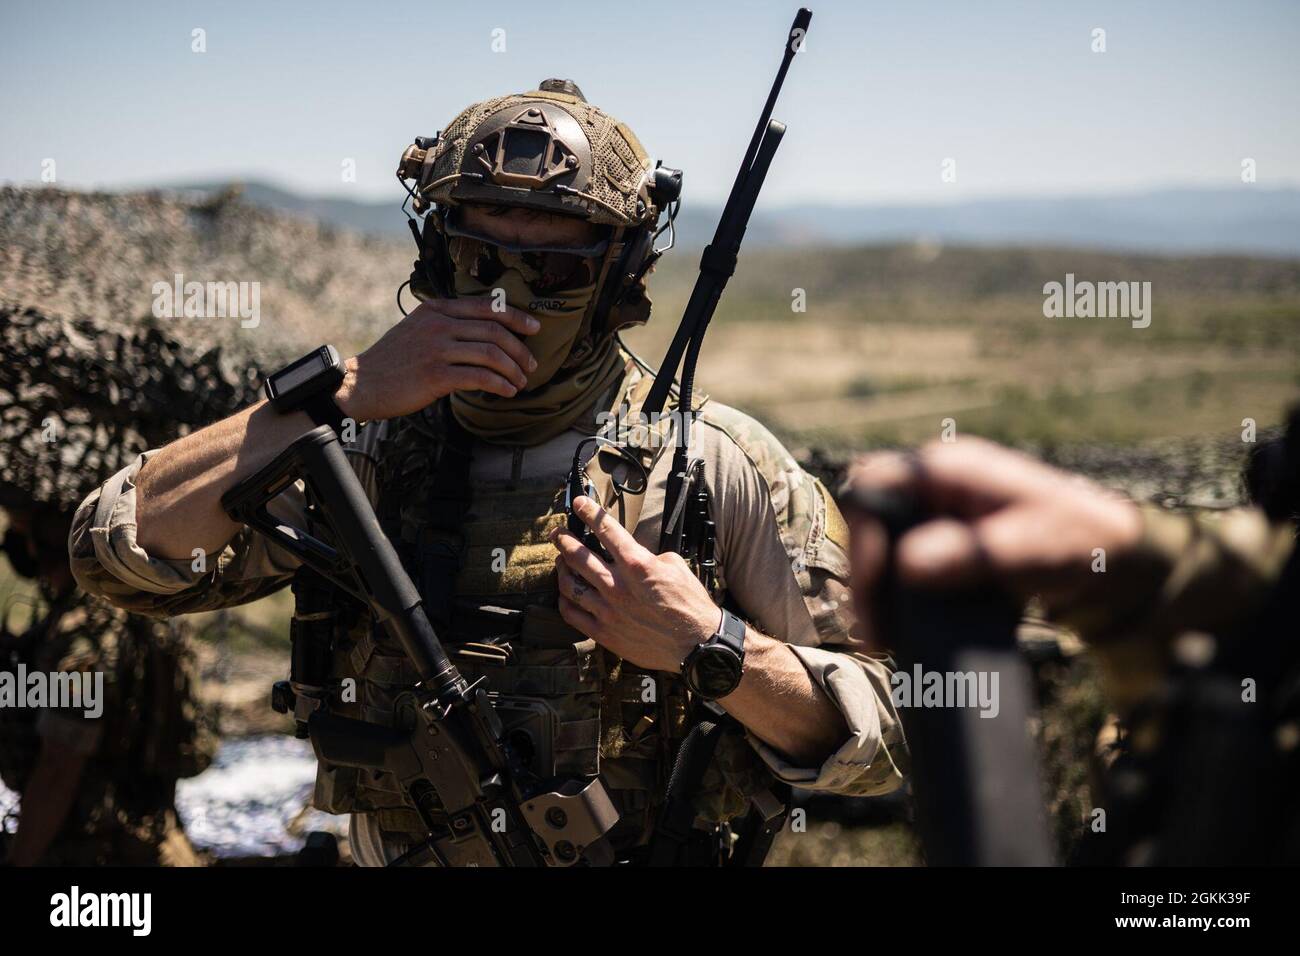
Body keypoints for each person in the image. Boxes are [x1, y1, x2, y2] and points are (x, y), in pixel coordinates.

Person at [69, 80, 908, 866]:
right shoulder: (360, 450)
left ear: (622, 276)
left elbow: (882, 739)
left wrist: (708, 646)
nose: (508, 299)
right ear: (437, 255)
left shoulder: (711, 468)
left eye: (554, 272)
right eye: (480, 258)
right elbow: (114, 550)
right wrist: (344, 391)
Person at [0, 308, 235, 866]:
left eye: (24, 534)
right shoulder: (123, 609)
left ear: (46, 539)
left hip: (97, 855)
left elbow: (61, 767)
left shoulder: (86, 632)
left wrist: (20, 861)